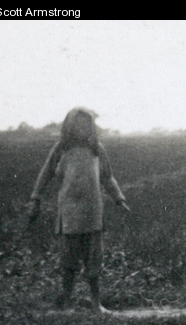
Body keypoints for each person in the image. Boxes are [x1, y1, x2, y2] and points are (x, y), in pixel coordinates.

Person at [28, 107, 131, 313]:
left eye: (87, 125)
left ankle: (96, 304)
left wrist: (119, 199)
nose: (83, 129)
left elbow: (108, 177)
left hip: (93, 214)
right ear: (69, 127)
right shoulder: (61, 150)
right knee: (68, 262)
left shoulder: (97, 150)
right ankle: (67, 303)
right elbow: (45, 173)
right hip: (69, 215)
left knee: (94, 261)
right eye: (78, 125)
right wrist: (35, 198)